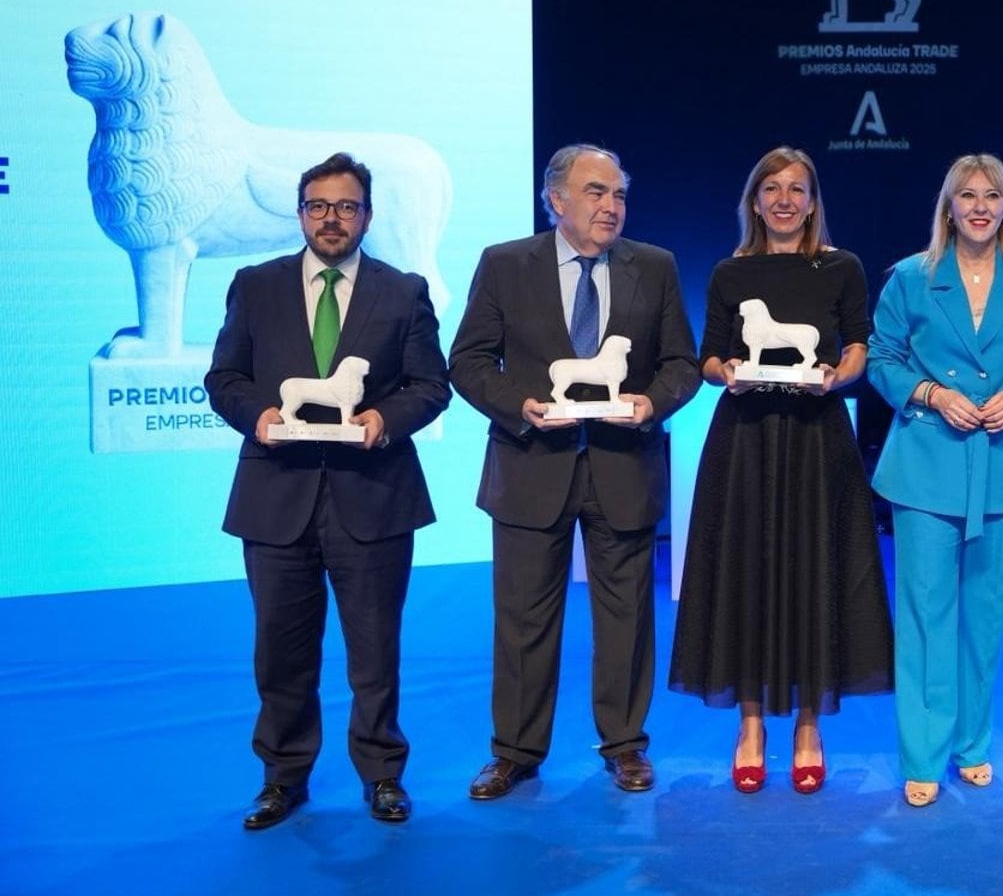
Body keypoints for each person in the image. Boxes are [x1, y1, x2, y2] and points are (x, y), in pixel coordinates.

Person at [207, 152, 451, 830]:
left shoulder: (403, 290)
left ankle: (382, 775)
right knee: (280, 650)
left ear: (367, 215)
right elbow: (224, 377)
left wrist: (384, 418)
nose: (332, 218)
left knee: (375, 652)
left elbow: (431, 386)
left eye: (346, 206)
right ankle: (283, 777)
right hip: (274, 496)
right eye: (318, 205)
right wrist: (258, 414)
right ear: (300, 213)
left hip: (372, 497)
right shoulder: (254, 285)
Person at [449, 144, 698, 800]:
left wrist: (651, 402)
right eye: (595, 192)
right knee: (524, 618)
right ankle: (515, 752)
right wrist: (519, 405)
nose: (610, 206)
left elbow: (681, 362)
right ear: (555, 199)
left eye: (618, 194)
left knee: (627, 617)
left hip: (623, 466)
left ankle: (625, 744)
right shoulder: (505, 265)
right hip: (531, 464)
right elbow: (469, 360)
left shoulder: (656, 266)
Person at [669, 146, 893, 795]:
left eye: (798, 188)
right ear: (755, 199)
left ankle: (806, 729)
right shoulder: (729, 273)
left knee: (813, 570)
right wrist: (726, 373)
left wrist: (842, 375)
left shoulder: (840, 267)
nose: (786, 199)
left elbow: (858, 344)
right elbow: (710, 354)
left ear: (813, 200)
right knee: (747, 570)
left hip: (817, 438)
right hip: (745, 441)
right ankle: (750, 728)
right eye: (773, 187)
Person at [868, 153, 1003, 807]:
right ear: (948, 206)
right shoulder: (910, 278)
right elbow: (882, 355)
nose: (980, 206)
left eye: (992, 196)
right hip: (925, 464)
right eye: (967, 195)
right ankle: (922, 753)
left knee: (985, 615)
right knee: (925, 614)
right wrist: (926, 392)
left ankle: (971, 744)